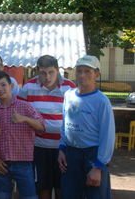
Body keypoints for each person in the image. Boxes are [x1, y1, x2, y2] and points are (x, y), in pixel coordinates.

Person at [17, 55, 76, 199]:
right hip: (38, 148)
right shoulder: (28, 87)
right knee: (43, 187)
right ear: (37, 71)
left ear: (58, 70)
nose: (47, 77)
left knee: (63, 186)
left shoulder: (70, 88)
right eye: (42, 73)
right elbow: (18, 112)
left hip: (64, 148)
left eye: (51, 72)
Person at [58, 55, 115, 199]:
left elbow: (107, 136)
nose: (82, 75)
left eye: (87, 71)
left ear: (97, 74)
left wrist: (98, 166)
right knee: (69, 195)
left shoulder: (102, 101)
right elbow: (65, 124)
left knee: (96, 196)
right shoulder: (69, 95)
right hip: (71, 154)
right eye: (79, 71)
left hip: (93, 155)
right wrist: (62, 149)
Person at [0, 71, 45, 199]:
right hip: (1, 164)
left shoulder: (25, 106)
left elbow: (42, 127)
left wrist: (25, 119)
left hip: (24, 164)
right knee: (0, 196)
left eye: (3, 85)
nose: (0, 89)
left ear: (11, 86)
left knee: (29, 196)